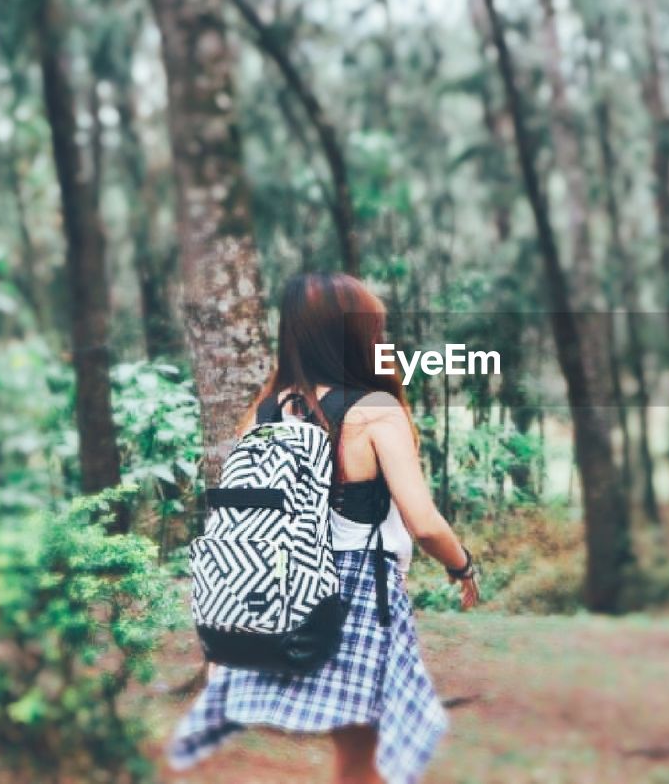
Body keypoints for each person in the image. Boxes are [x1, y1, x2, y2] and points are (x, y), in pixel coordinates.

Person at [169, 272, 479, 784]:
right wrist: (462, 564)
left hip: (282, 586)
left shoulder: (265, 409)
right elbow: (423, 523)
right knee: (366, 758)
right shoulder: (374, 410)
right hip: (358, 592)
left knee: (360, 754)